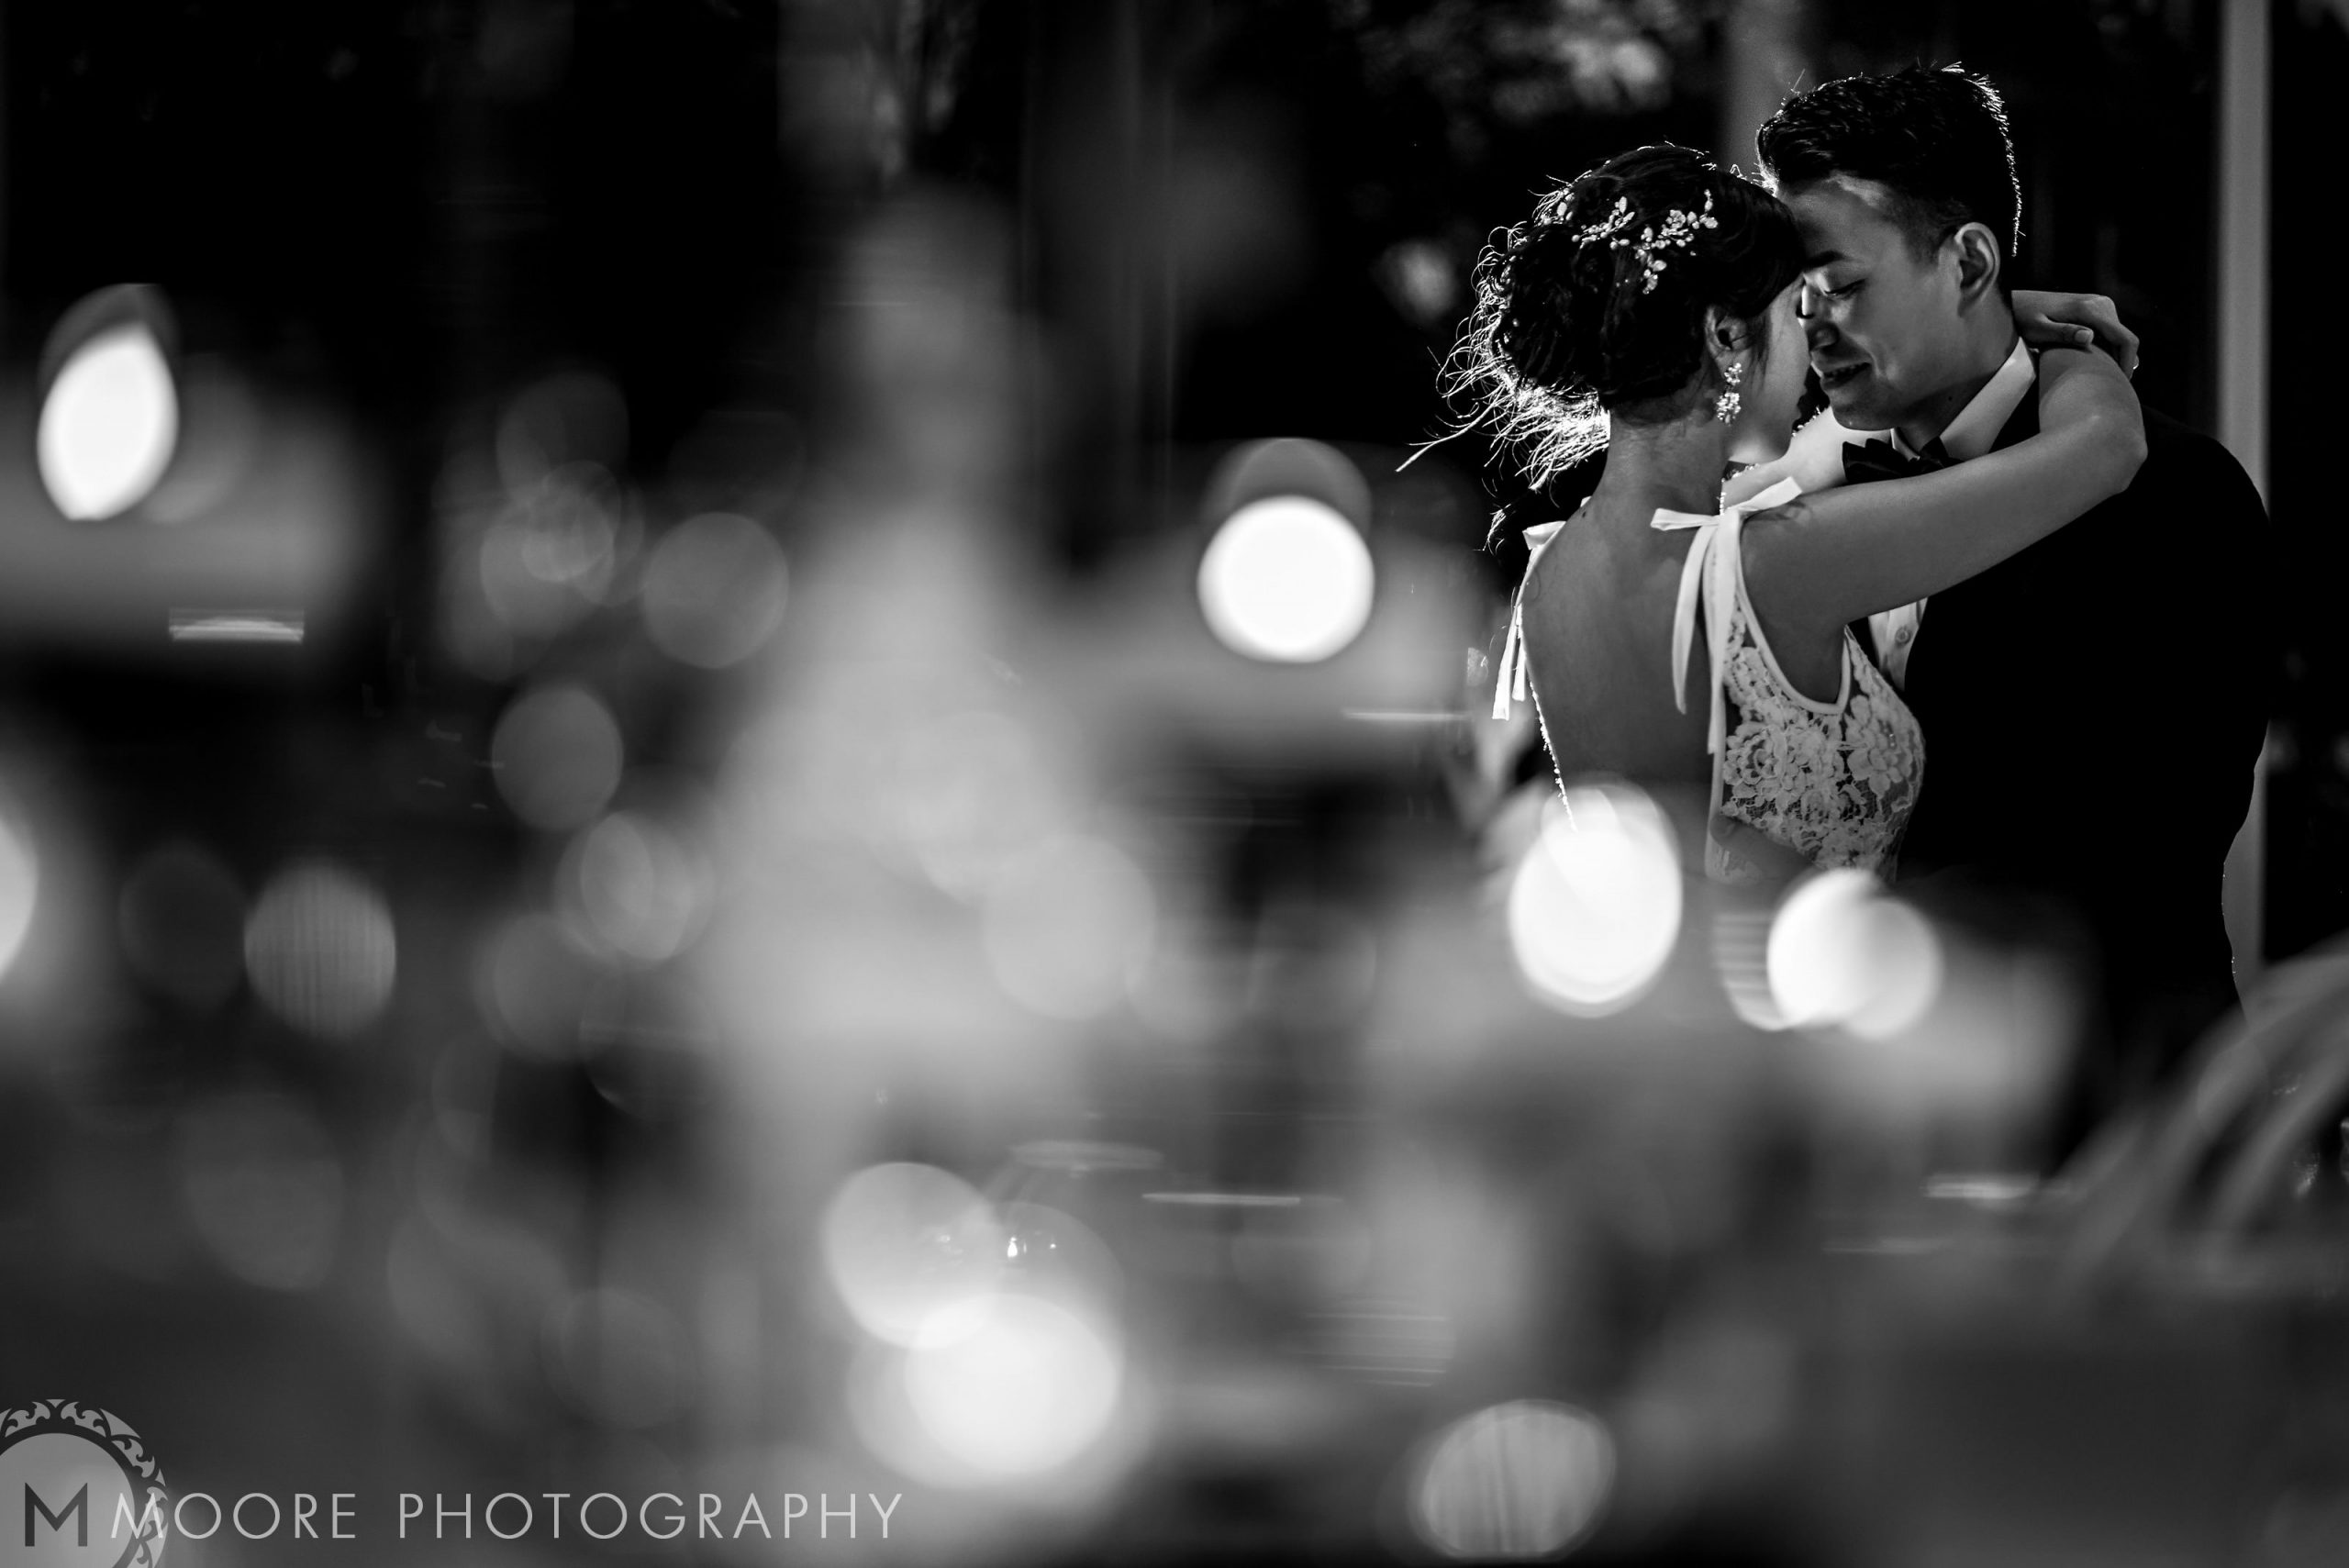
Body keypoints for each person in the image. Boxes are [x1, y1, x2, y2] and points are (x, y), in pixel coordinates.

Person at [1735, 66, 2273, 1157]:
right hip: (1864, 1132)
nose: (1810, 324)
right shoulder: (1804, 500)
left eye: (1836, 281)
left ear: (1970, 260)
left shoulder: (2172, 495)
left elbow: (2131, 858)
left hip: (2117, 1129)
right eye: (1793, 292)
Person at [1462, 143, 2142, 895]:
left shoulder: (1553, 569)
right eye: (1795, 310)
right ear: (1726, 336)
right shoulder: (1782, 566)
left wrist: (1978, 311)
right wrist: (2061, 347)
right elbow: (2106, 447)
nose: (1816, 349)